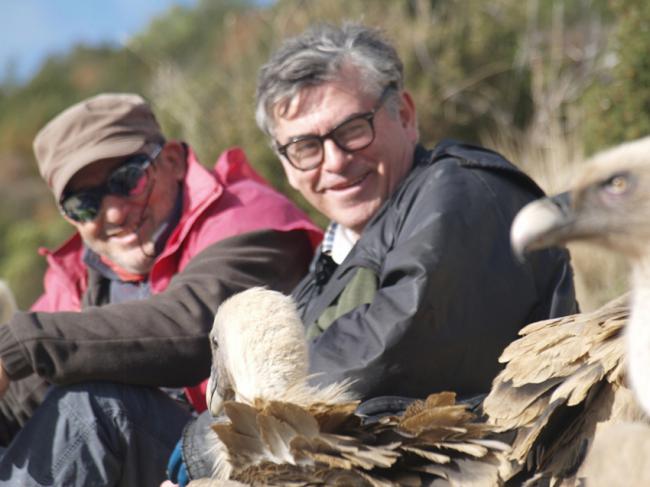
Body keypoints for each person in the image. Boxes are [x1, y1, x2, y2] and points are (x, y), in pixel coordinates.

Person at [165, 22, 577, 485]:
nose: (335, 161)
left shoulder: (465, 193)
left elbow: (389, 354)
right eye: (304, 146)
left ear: (404, 114)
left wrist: (216, 438)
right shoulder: (330, 263)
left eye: (352, 129)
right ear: (284, 163)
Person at [0, 93, 321, 485]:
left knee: (96, 406)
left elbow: (193, 326)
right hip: (163, 457)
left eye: (127, 179)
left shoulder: (247, 216)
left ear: (170, 160)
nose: (114, 212)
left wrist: (20, 343)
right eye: (85, 204)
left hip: (246, 458)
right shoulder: (76, 279)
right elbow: (21, 396)